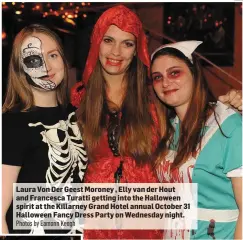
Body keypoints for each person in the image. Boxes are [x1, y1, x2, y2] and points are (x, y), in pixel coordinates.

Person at [71, 5, 242, 239]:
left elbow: (199, 118)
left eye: (127, 43)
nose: (116, 51)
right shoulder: (80, 101)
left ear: (136, 50)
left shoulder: (156, 101)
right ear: (96, 42)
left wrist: (232, 103)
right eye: (108, 40)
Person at [151, 40, 242, 239]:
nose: (165, 82)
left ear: (195, 74)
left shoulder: (230, 126)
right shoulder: (169, 129)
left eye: (174, 72)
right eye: (157, 77)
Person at [2, 24, 88, 234]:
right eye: (34, 60)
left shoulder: (77, 114)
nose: (46, 67)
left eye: (52, 55)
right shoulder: (11, 124)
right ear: (20, 68)